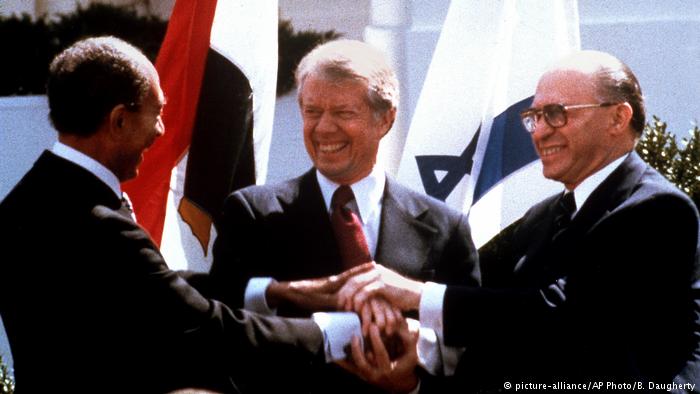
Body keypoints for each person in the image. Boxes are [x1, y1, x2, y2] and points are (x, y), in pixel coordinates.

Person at [0, 36, 373, 394]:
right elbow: (199, 326)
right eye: (157, 113)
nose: (161, 131)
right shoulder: (101, 225)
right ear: (118, 121)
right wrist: (338, 333)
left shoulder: (27, 200)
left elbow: (144, 284)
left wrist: (274, 292)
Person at [336, 50, 700, 392]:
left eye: (557, 113)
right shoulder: (543, 217)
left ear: (617, 118)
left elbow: (559, 319)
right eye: (534, 117)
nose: (539, 132)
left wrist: (415, 294)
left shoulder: (658, 210)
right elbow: (482, 299)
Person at [207, 39, 480, 393]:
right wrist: (284, 294)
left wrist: (411, 385)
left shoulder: (446, 227)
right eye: (312, 111)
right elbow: (219, 321)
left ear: (386, 119)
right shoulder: (252, 214)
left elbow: (471, 350)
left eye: (343, 113)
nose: (323, 128)